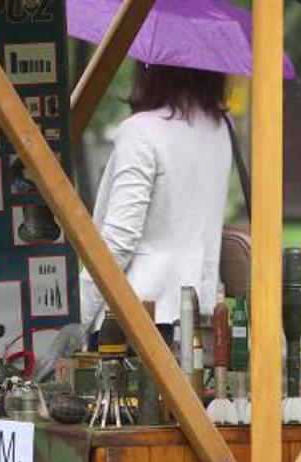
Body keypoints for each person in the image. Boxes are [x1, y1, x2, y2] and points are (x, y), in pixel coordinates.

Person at [78, 62, 233, 332]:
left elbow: (118, 241)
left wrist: (76, 317)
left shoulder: (140, 131)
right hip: (201, 314)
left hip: (137, 314)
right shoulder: (220, 129)